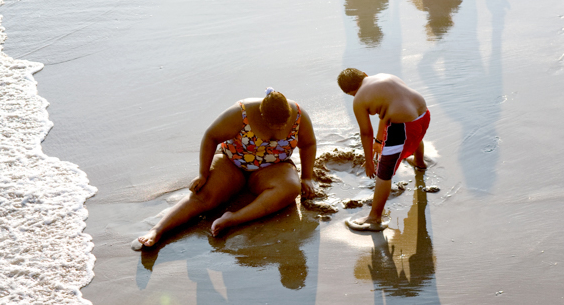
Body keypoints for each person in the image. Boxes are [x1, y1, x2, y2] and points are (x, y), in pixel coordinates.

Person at [133, 88, 317, 249]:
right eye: (273, 125)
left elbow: (308, 144)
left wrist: (307, 177)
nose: (279, 128)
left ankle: (233, 218)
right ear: (262, 114)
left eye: (283, 124)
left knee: (292, 188)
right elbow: (211, 136)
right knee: (203, 196)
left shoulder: (299, 116)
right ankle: (157, 230)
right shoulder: (241, 113)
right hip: (232, 163)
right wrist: (203, 174)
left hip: (273, 168)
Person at [337, 69, 430, 232]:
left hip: (403, 125)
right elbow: (387, 113)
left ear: (350, 92)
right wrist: (379, 141)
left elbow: (366, 132)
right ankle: (420, 162)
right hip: (423, 114)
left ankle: (374, 217)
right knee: (415, 138)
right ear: (364, 75)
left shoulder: (358, 99)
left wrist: (369, 162)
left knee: (384, 171)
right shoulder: (386, 77)